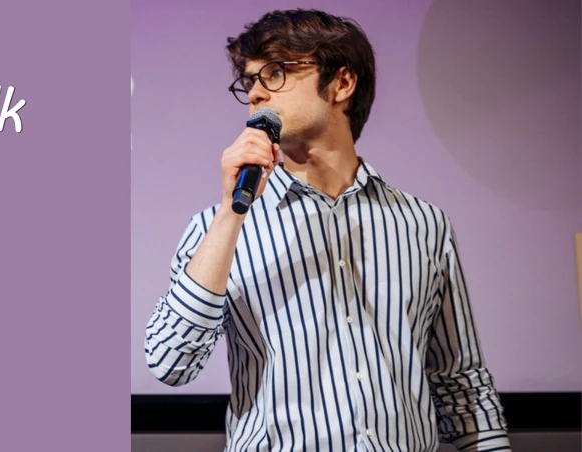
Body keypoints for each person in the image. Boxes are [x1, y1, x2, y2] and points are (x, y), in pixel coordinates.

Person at [144, 8, 510, 452]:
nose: (256, 92)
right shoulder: (217, 228)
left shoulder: (422, 224)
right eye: (250, 80)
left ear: (342, 83)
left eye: (276, 72)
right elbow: (170, 363)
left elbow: (461, 384)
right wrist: (229, 213)